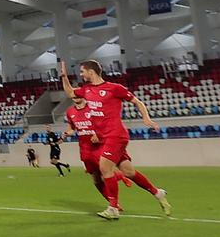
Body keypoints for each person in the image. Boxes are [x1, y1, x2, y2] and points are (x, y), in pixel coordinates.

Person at [60, 60, 170, 220]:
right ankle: (157, 192)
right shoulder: (87, 90)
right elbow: (70, 93)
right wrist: (64, 77)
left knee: (105, 168)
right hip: (104, 138)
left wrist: (146, 118)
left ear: (91, 72)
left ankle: (113, 208)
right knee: (128, 171)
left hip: (116, 135)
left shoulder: (114, 88)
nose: (81, 74)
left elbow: (137, 102)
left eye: (82, 71)